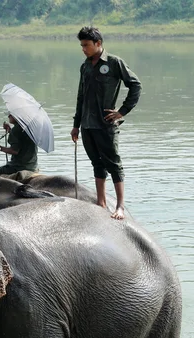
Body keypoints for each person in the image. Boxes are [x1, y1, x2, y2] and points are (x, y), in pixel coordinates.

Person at [70, 26, 142, 220]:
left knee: (113, 163)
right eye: (81, 45)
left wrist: (122, 111)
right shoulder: (85, 66)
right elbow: (80, 97)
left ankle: (120, 206)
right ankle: (101, 202)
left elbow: (135, 85)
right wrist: (76, 125)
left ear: (98, 43)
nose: (83, 49)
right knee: (96, 163)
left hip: (105, 124)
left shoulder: (114, 63)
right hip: (87, 124)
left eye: (86, 45)